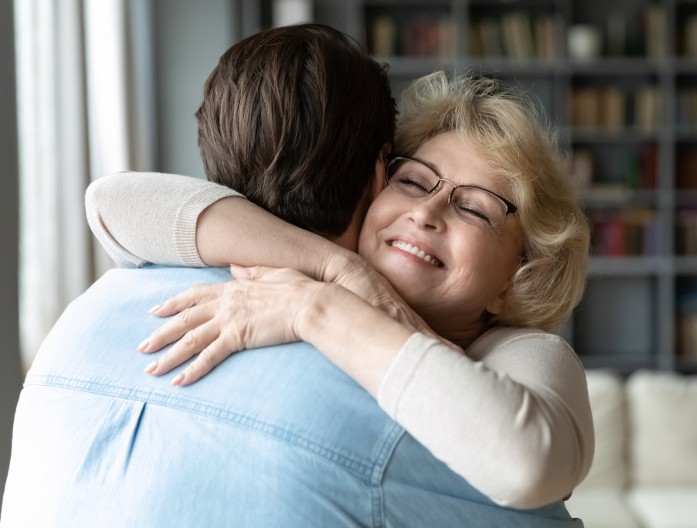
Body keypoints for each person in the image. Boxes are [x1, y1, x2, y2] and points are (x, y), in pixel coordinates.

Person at [1, 24, 588, 528]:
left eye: (476, 207)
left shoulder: (524, 353)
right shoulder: (298, 277)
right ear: (377, 181)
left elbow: (525, 460)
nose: (426, 212)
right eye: (413, 180)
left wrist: (320, 307)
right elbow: (115, 199)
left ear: (522, 272)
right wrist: (341, 269)